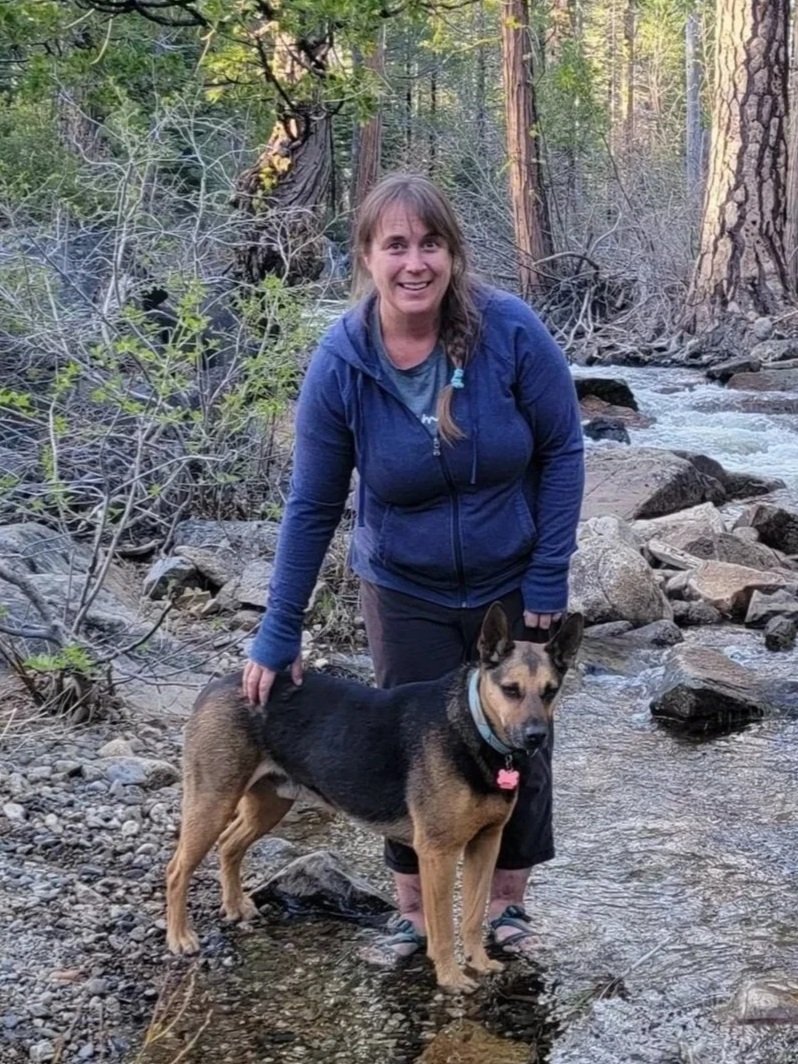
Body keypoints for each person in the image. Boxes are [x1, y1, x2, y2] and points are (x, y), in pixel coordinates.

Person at [243, 172, 585, 960]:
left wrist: (548, 575)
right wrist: (277, 629)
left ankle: (504, 908)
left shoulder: (509, 330)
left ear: (453, 253)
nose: (415, 262)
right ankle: (415, 910)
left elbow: (564, 449)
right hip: (404, 587)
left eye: (430, 243)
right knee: (408, 744)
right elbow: (312, 504)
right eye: (395, 245)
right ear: (367, 257)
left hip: (511, 574)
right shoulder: (342, 364)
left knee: (522, 738)